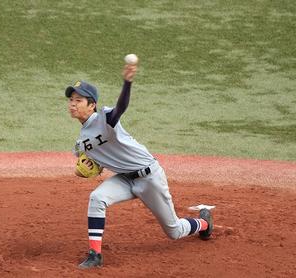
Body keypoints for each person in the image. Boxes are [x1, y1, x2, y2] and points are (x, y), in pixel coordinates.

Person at [65, 62, 213, 269]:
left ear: (91, 105)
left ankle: (204, 222)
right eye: (71, 100)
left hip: (149, 177)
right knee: (97, 198)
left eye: (78, 100)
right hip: (125, 179)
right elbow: (92, 163)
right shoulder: (81, 143)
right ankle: (95, 255)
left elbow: (121, 107)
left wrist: (127, 82)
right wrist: (86, 168)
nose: (72, 104)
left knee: (174, 231)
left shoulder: (106, 118)